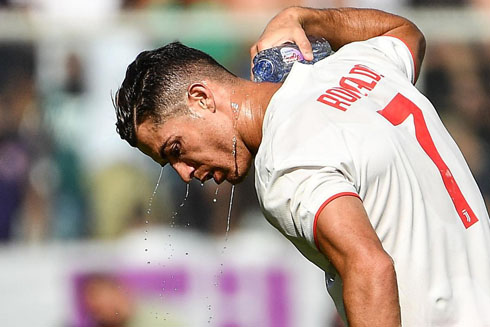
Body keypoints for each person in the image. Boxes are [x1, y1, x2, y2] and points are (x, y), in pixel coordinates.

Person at [113, 7, 490, 326]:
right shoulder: (354, 66)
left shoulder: (284, 161)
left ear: (201, 98)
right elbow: (405, 32)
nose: (184, 173)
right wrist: (307, 19)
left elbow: (368, 266)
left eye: (176, 149)